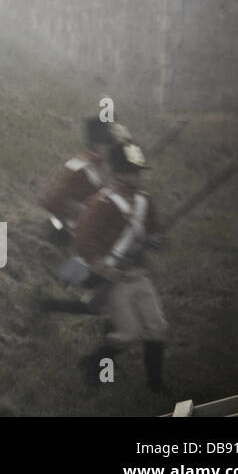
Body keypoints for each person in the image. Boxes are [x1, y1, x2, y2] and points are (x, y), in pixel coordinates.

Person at [74, 142, 168, 393]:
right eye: (133, 170)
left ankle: (156, 386)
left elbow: (156, 232)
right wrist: (101, 265)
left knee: (157, 327)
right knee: (128, 333)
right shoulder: (103, 202)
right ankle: (92, 365)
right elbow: (83, 238)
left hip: (138, 275)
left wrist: (157, 240)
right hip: (115, 279)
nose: (139, 176)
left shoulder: (145, 201)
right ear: (120, 173)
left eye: (139, 170)